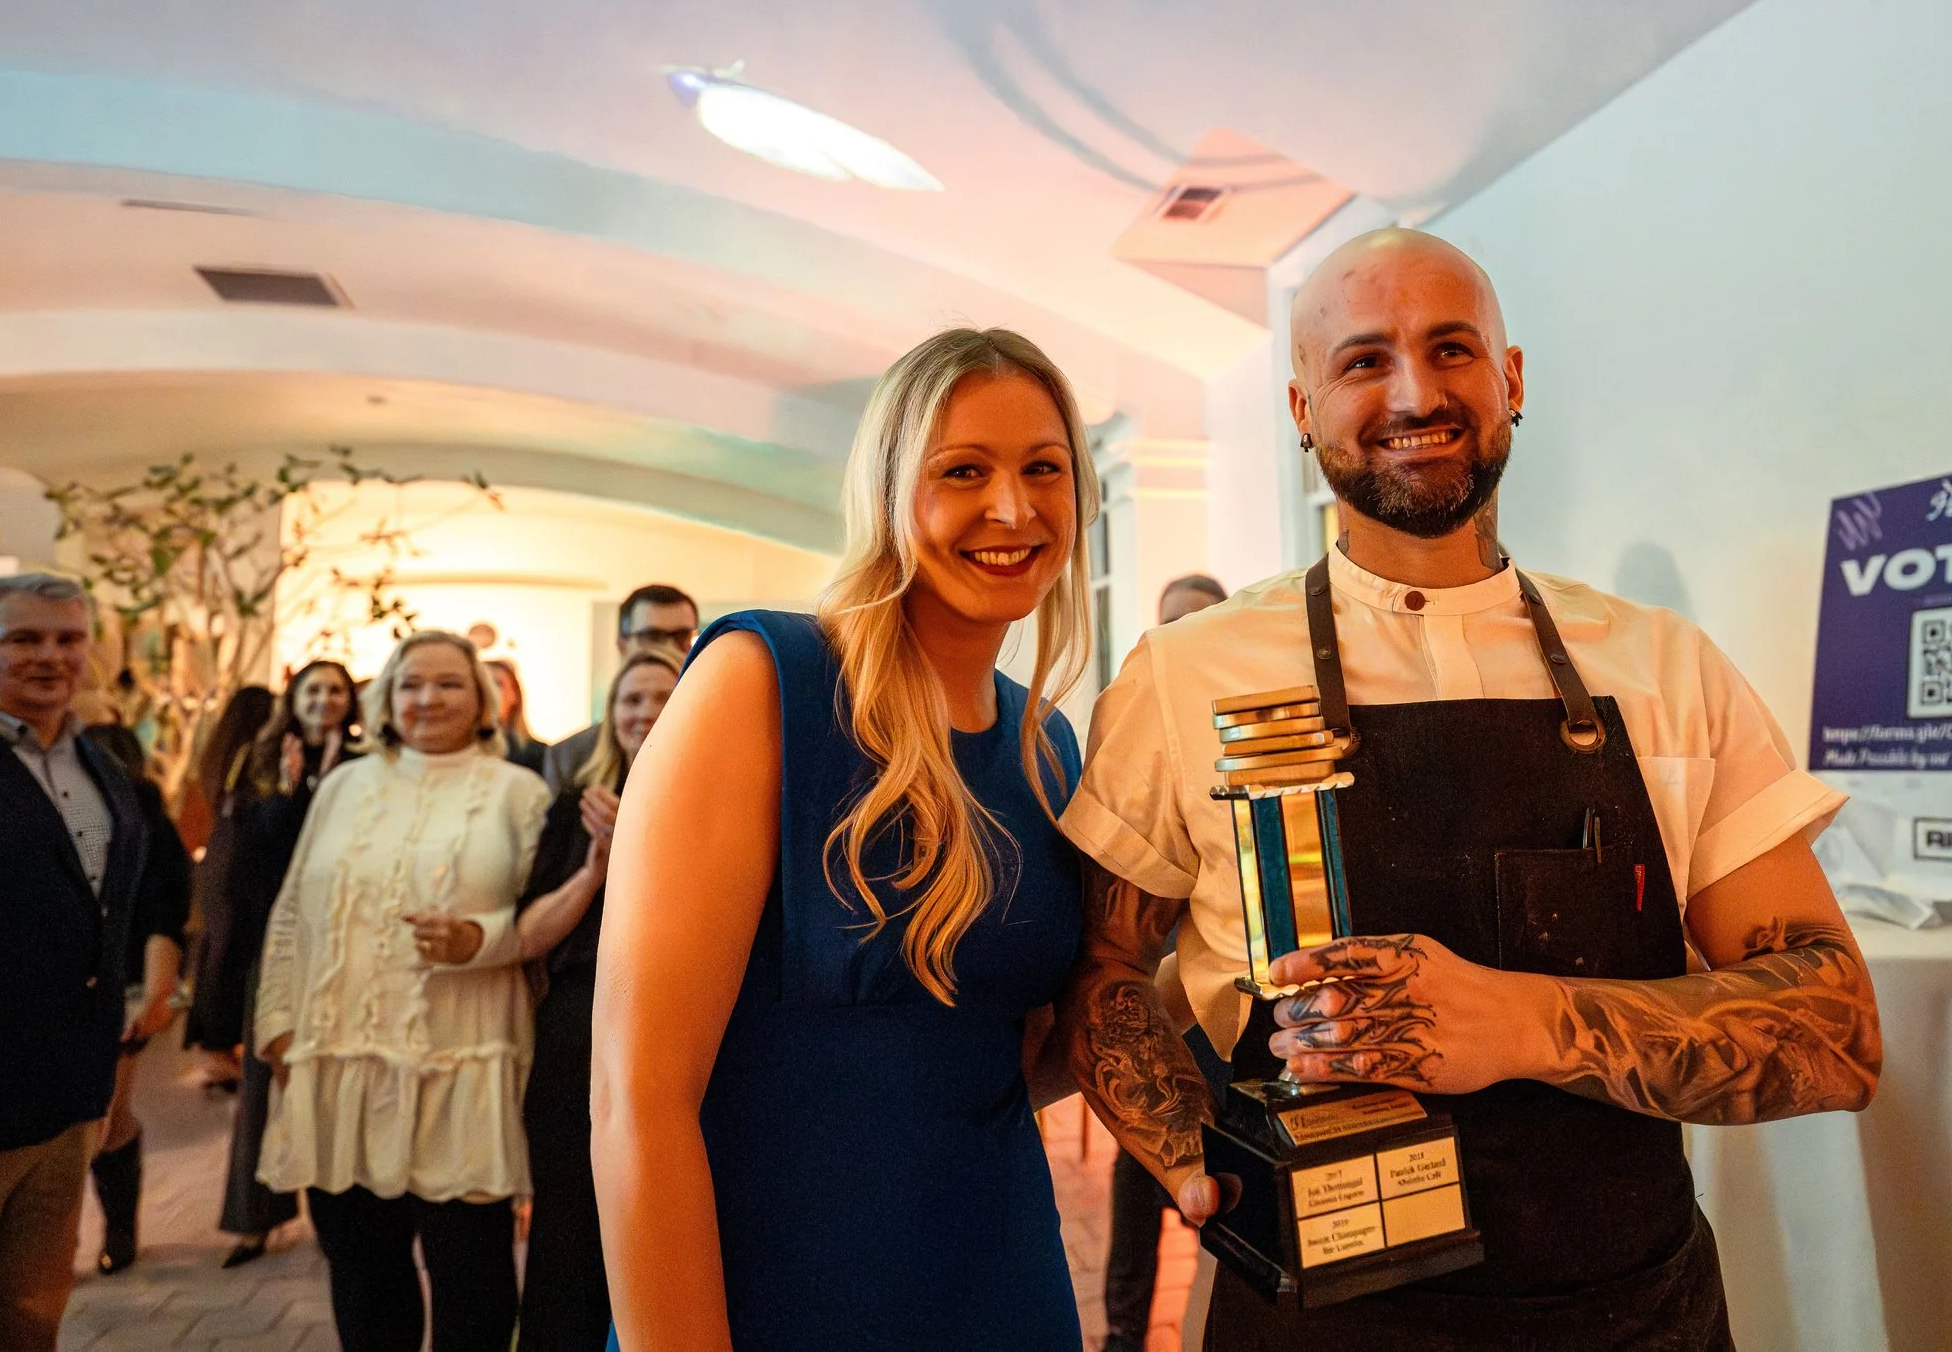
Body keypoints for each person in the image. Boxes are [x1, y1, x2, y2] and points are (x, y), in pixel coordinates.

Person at [1059, 228, 1885, 1352]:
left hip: (1633, 1312)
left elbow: (1836, 1025)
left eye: (1452, 348)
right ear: (1301, 407)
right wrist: (1188, 1154)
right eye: (1364, 360)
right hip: (1317, 1323)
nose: (1415, 392)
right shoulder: (1184, 673)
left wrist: (1526, 1020)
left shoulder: (1665, 665)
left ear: (1511, 379)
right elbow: (1105, 964)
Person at [594, 327, 1097, 1351]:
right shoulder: (763, 682)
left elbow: (1007, 1057)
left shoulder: (1046, 743)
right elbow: (633, 1098)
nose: (1013, 508)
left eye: (1044, 468)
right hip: (780, 1288)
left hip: (1001, 1278)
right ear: (887, 490)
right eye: (964, 471)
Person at [254, 631, 551, 1352]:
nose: (428, 698)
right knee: (363, 1276)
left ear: (482, 700)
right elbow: (292, 909)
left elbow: (549, 925)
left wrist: (479, 938)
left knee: (473, 1282)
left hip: (461, 1063)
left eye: (449, 683)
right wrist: (276, 1023)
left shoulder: (520, 792)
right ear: (386, 698)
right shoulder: (343, 786)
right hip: (339, 1063)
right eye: (411, 683)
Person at [0, 573, 153, 1351]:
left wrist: (99, 1081)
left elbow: (102, 923)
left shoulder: (94, 764)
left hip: (61, 1115)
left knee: (21, 1325)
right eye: (23, 638)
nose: (50, 655)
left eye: (67, 638)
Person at [512, 651, 676, 1352]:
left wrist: (647, 837)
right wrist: (595, 869)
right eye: (631, 699)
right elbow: (529, 933)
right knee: (568, 1209)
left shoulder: (716, 798)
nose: (645, 712)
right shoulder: (576, 806)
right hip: (578, 1022)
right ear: (611, 716)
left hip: (676, 1013)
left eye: (662, 696)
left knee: (658, 1204)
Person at [1099, 572, 1227, 1352]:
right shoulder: (1142, 737)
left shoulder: (1247, 737)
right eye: (1172, 624)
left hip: (1226, 1020)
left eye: (1201, 623)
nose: (1185, 639)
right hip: (1152, 1003)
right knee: (1134, 1176)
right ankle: (1122, 1336)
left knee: (1225, 1195)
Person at [209, 659, 363, 1269]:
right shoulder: (263, 761)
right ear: (294, 699)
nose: (324, 699)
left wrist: (328, 782)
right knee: (262, 1079)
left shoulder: (366, 763)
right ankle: (254, 1220)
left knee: (337, 1077)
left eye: (336, 690)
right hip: (275, 941)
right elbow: (248, 852)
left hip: (346, 942)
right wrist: (295, 790)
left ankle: (338, 1212)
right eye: (313, 690)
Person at [76, 723, 192, 1276]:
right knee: (69, 1123)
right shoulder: (53, 819)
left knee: (105, 1112)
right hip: (57, 989)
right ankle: (54, 1243)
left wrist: (158, 993)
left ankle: (117, 1230)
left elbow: (166, 914)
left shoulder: (148, 827)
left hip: (121, 988)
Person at [180, 683, 282, 1076]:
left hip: (220, 856)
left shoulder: (219, 751)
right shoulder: (251, 756)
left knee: (217, 948)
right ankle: (220, 1046)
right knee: (232, 950)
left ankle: (215, 1044)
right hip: (240, 861)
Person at [543, 586, 698, 791]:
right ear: (622, 645)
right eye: (652, 637)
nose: (667, 649)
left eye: (681, 638)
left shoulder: (720, 745)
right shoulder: (571, 756)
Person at [487, 658, 548, 775]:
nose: (489, 692)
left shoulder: (538, 754)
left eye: (497, 684)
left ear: (514, 695)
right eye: (483, 685)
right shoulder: (460, 755)